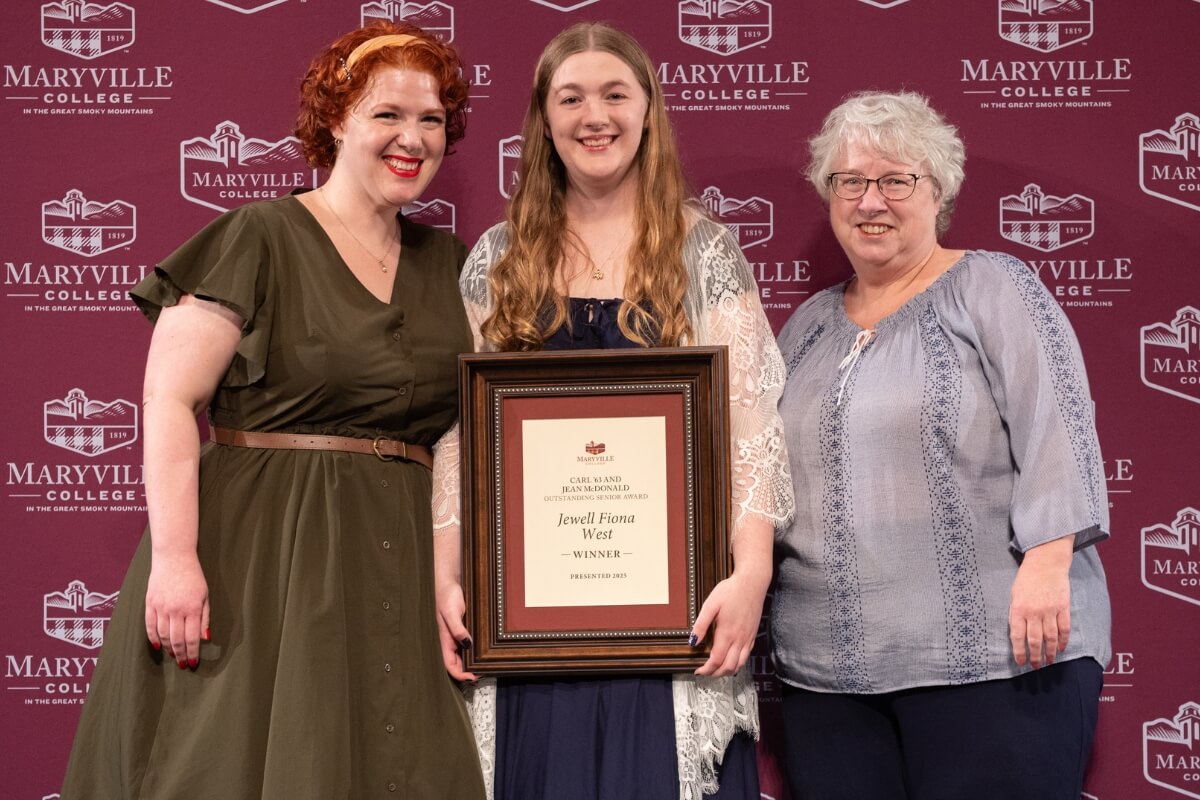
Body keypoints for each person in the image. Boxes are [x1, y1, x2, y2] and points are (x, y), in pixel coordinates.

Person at [60, 21, 486, 799]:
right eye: (387, 114)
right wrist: (178, 560)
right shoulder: (259, 235)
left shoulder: (454, 268)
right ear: (335, 121)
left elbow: (465, 436)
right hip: (259, 557)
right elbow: (170, 398)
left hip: (398, 555)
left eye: (431, 120)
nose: (412, 138)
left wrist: (449, 573)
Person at [429, 22, 794, 800]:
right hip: (528, 628)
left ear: (649, 110)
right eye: (571, 98)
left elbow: (751, 424)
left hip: (675, 621)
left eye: (614, 94)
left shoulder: (705, 251)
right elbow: (460, 435)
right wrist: (446, 572)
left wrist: (753, 571)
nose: (594, 116)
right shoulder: (496, 259)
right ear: (544, 119)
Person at [771, 90, 1112, 799]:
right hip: (827, 682)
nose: (872, 201)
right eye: (851, 182)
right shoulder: (803, 326)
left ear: (939, 192)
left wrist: (1050, 564)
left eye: (897, 181)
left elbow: (1059, 423)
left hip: (1000, 661)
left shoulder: (993, 286)